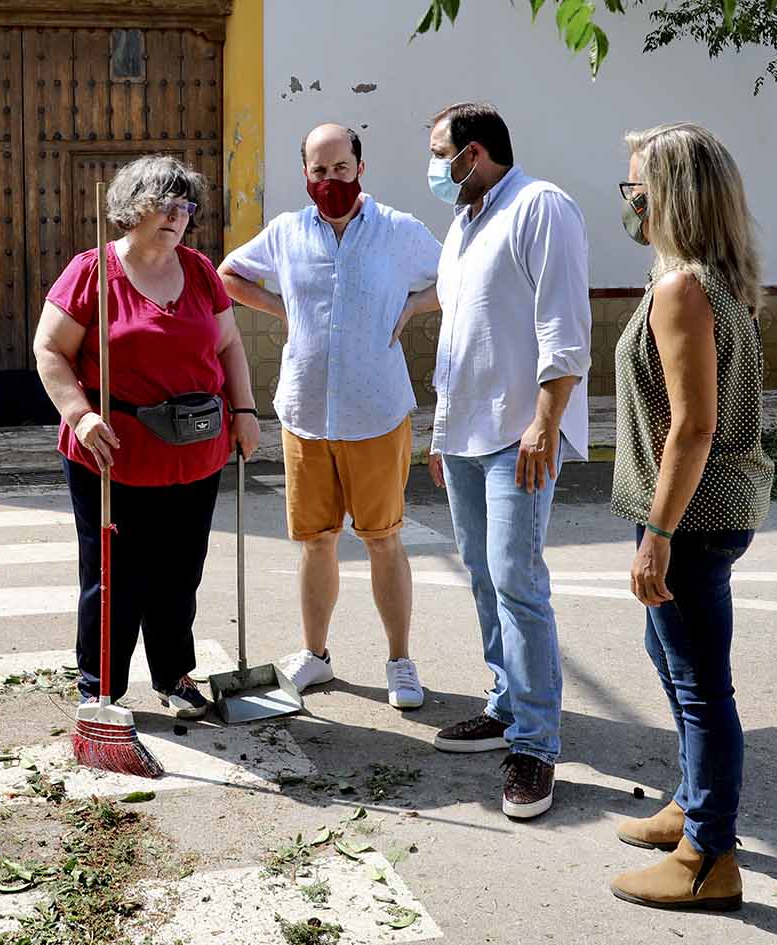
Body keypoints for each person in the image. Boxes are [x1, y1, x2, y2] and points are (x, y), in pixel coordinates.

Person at [219, 123, 442, 709]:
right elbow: (229, 274)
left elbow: (458, 277)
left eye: (340, 168)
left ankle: (400, 661)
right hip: (307, 412)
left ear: (360, 168)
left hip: (376, 412)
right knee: (316, 542)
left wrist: (415, 305)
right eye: (319, 171)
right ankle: (316, 655)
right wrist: (282, 310)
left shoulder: (398, 231)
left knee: (383, 541)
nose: (330, 180)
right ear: (306, 176)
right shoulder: (287, 232)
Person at [608, 123, 773, 911]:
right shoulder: (706, 278)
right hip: (707, 508)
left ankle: (708, 855)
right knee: (671, 656)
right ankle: (687, 800)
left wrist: (657, 538)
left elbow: (692, 425)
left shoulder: (682, 289)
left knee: (703, 686)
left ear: (669, 194)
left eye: (635, 184)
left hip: (691, 517)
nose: (628, 197)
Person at [32, 154, 261, 719]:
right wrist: (80, 416)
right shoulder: (91, 272)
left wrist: (246, 411)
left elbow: (229, 346)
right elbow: (50, 351)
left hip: (197, 447)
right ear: (131, 207)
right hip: (114, 451)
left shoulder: (202, 271)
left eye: (185, 206)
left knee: (180, 571)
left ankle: (174, 675)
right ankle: (100, 687)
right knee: (113, 577)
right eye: (165, 203)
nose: (178, 215)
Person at [424, 103, 591, 820]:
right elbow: (457, 340)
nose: (432, 168)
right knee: (485, 575)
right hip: (464, 433)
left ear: (475, 152)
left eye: (439, 153)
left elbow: (563, 323)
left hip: (517, 434)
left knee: (518, 581)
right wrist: (438, 431)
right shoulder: (463, 222)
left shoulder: (539, 206)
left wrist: (543, 424)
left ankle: (535, 743)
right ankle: (504, 702)